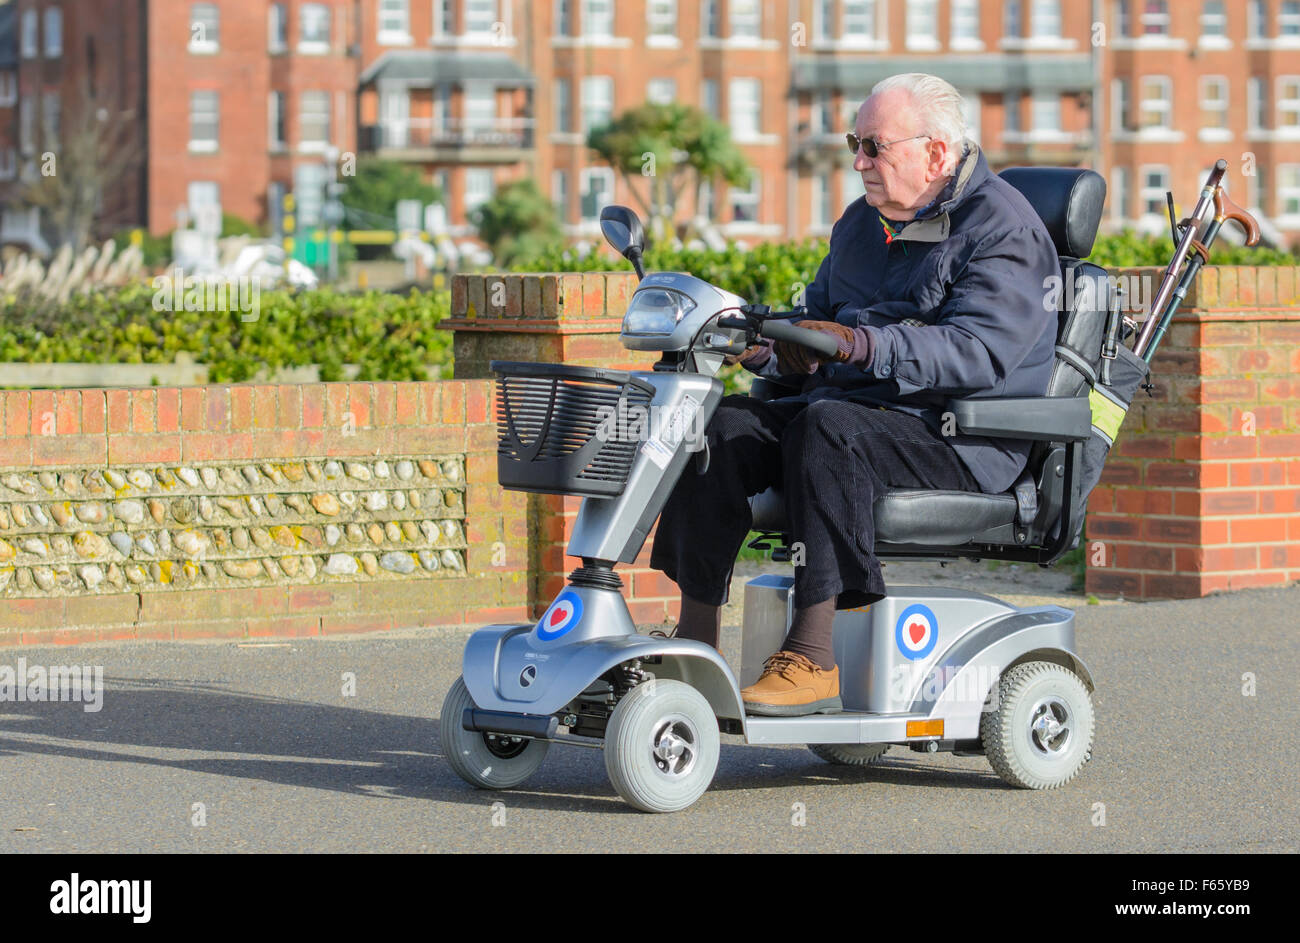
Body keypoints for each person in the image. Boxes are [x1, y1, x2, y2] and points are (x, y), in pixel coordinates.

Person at [648, 73, 1061, 716]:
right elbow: (820, 323)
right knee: (719, 428)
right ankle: (693, 647)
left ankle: (812, 656)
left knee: (830, 428)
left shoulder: (1005, 231)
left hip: (963, 433)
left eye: (874, 146)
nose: (860, 161)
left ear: (935, 151)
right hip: (855, 414)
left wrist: (858, 344)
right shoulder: (860, 225)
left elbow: (978, 354)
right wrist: (766, 343)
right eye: (855, 144)